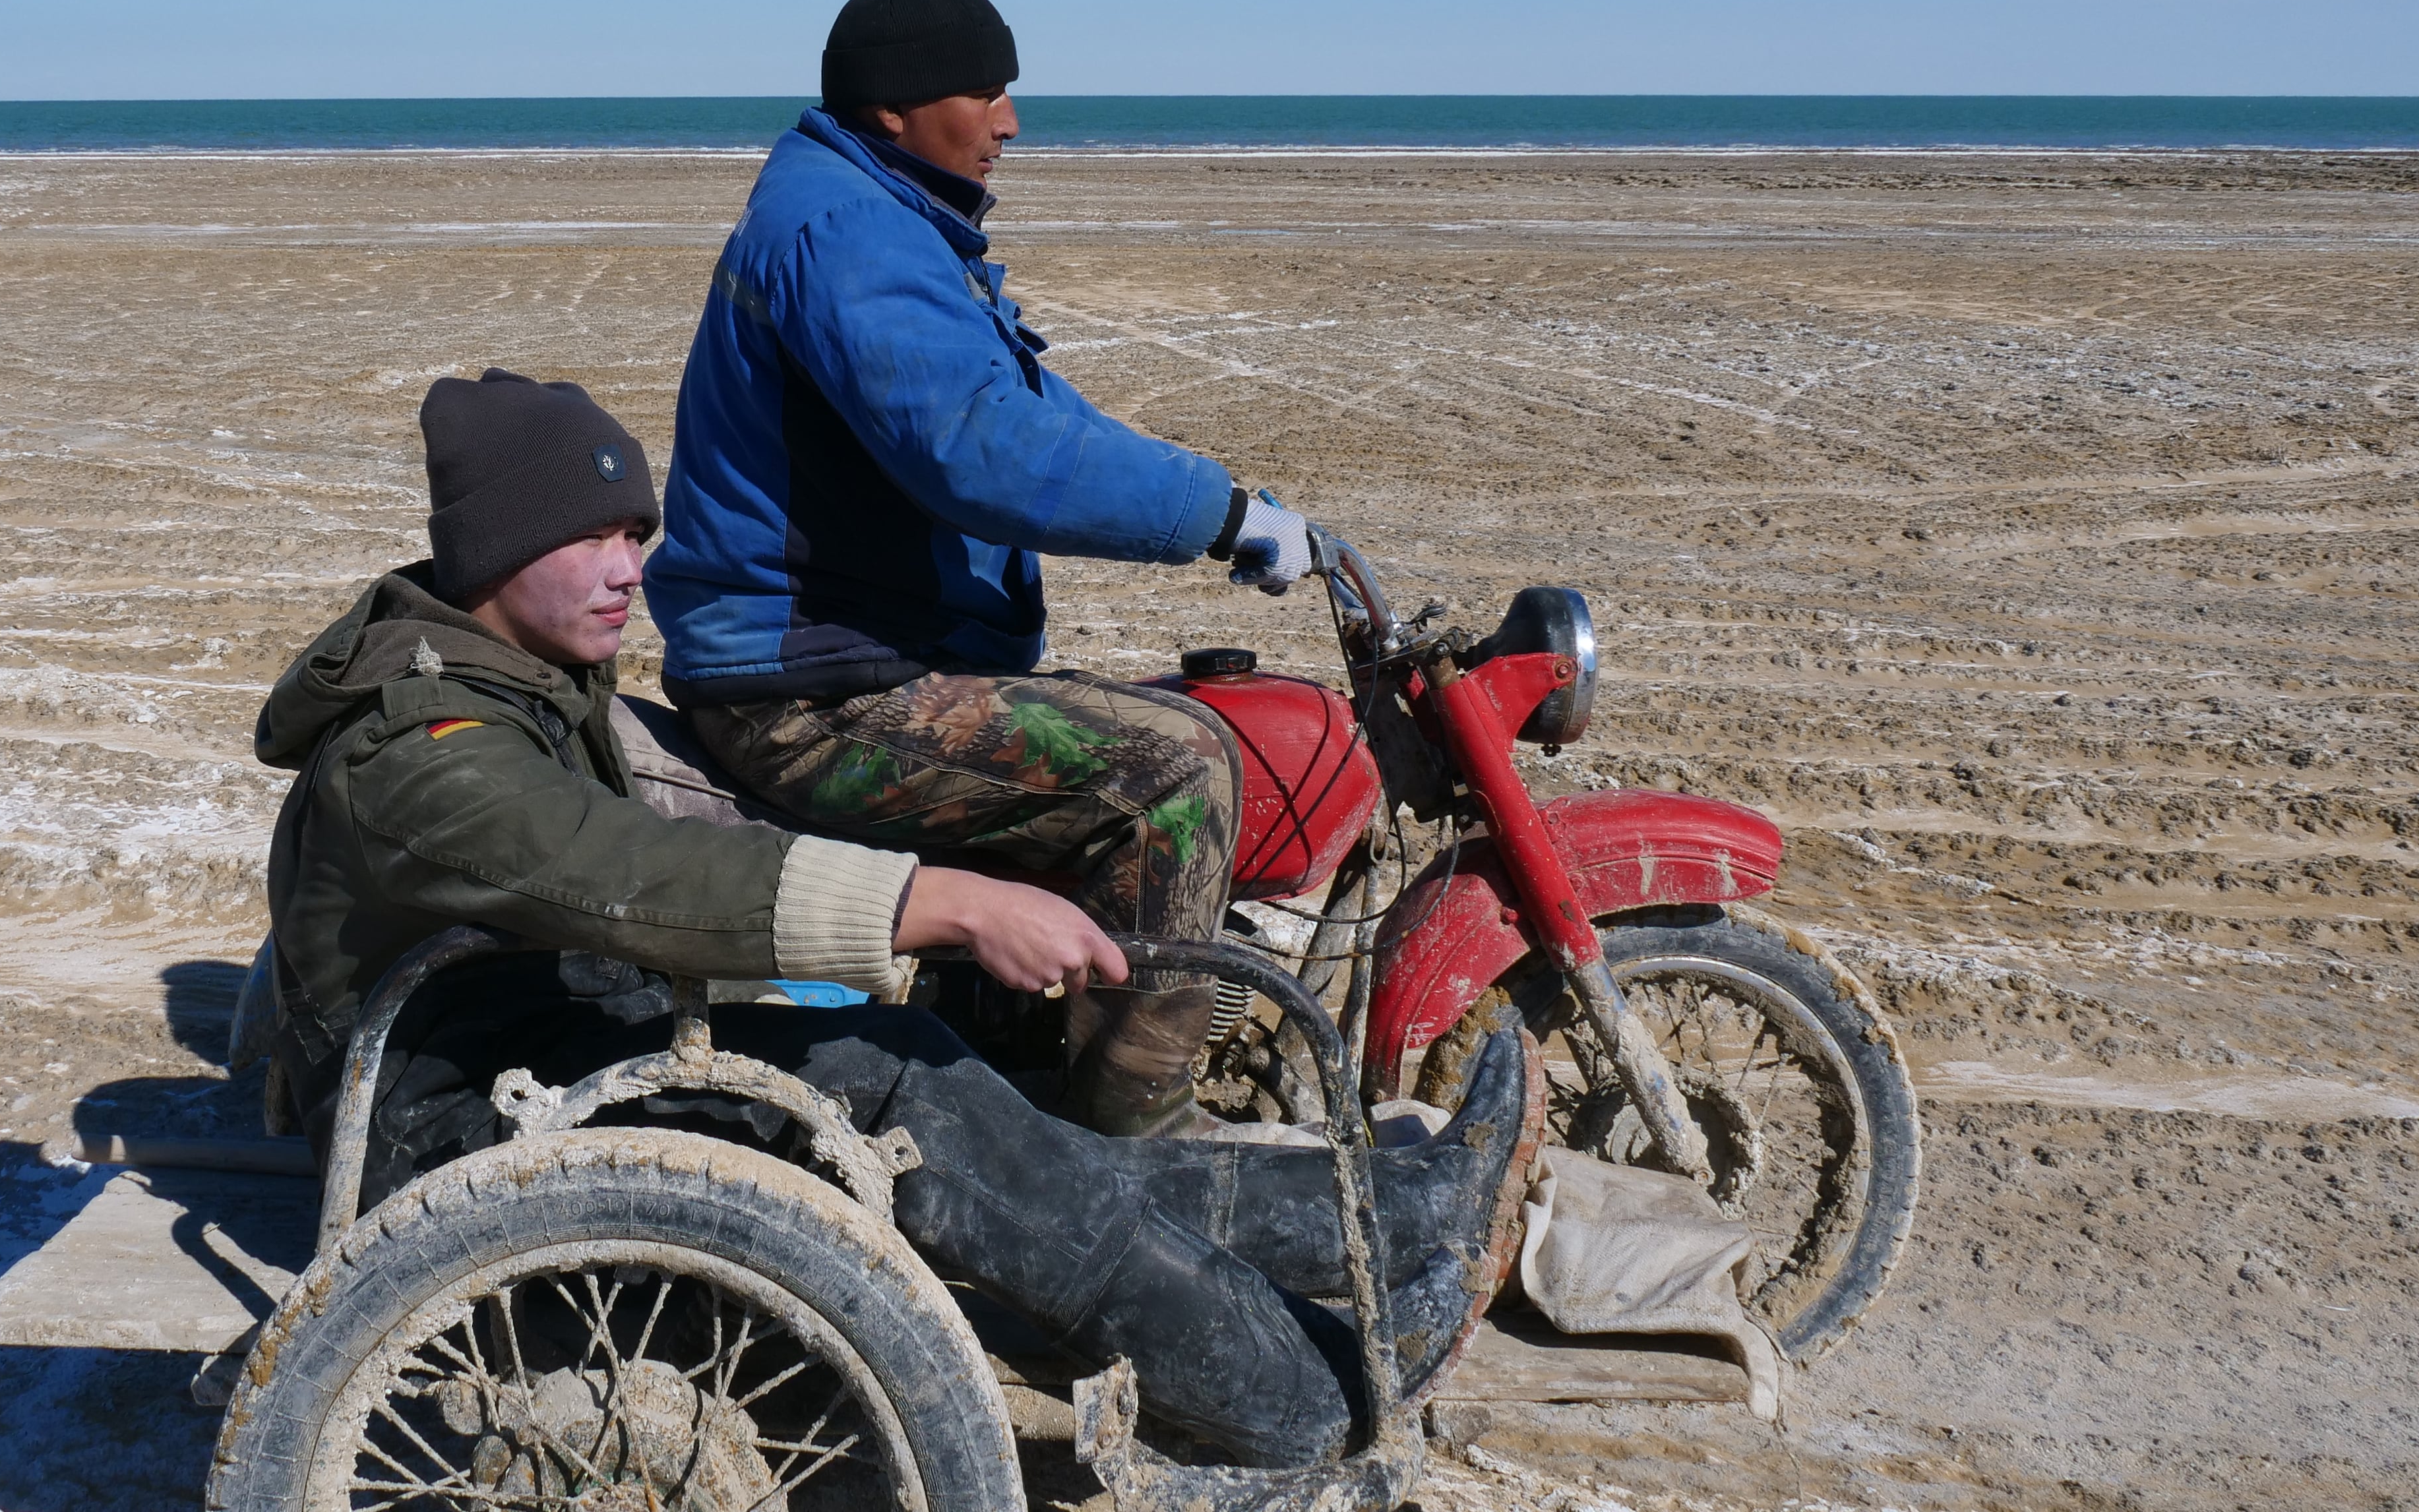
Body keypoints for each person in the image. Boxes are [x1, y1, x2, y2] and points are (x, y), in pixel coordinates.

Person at [249, 370, 1534, 1468]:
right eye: (585, 536)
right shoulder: (423, 749)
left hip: (516, 1056)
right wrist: (937, 903)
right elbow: (608, 866)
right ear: (489, 551)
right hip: (440, 1143)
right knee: (899, 1089)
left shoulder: (502, 676)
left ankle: (1402, 1214)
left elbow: (625, 855)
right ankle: (1306, 1404)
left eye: (635, 533)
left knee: (959, 1104)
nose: (626, 569)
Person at [646, 0, 1316, 1137]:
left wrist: (1231, 498)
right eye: (984, 92)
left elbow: (1031, 411)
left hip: (845, 656)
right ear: (895, 107)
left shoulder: (874, 215)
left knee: (1094, 731)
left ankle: (1005, 1089)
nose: (1010, 121)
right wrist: (1215, 521)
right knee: (1175, 769)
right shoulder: (849, 233)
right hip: (809, 689)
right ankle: (1134, 1153)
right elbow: (982, 450)